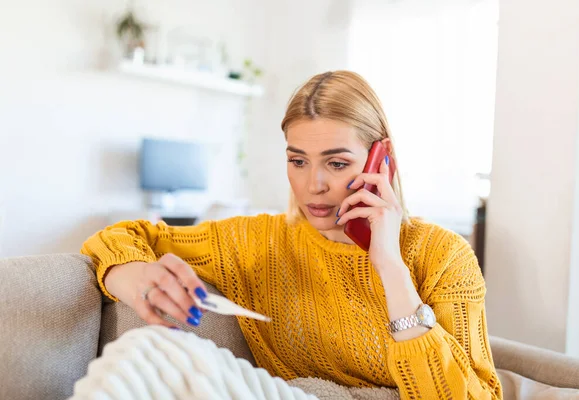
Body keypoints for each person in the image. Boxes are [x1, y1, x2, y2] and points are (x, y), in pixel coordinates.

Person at [81, 71, 502, 399]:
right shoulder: (256, 240)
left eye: (336, 163)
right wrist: (133, 274)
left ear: (381, 161)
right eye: (298, 161)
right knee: (141, 354)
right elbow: (121, 234)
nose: (312, 184)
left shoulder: (443, 256)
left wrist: (390, 264)